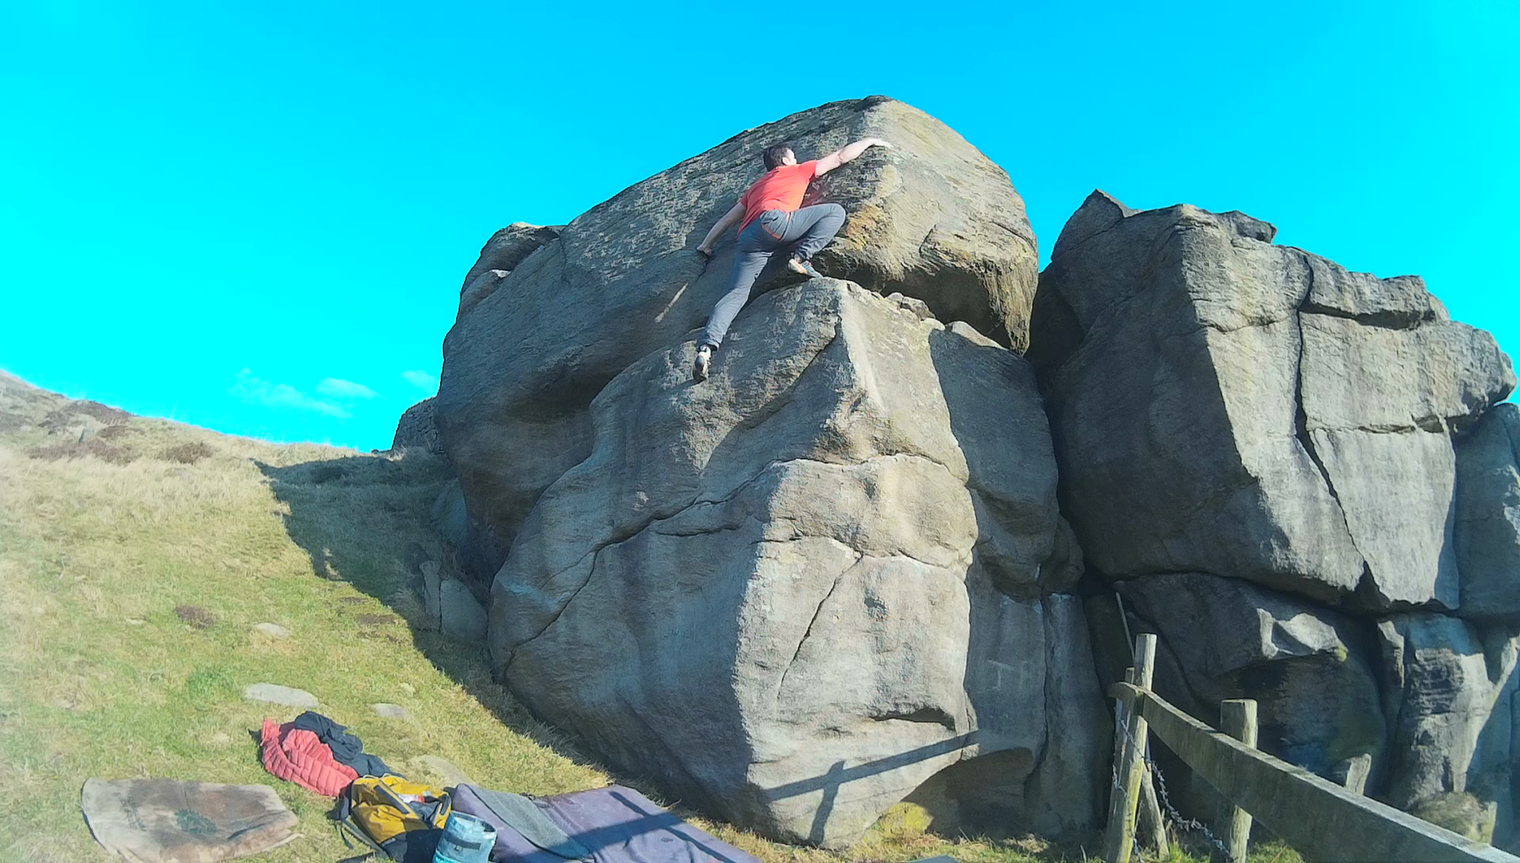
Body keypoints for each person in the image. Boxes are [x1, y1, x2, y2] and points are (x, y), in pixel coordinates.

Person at [691, 137, 892, 381]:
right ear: (786, 160)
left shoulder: (754, 189)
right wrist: (870, 140)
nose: (796, 159)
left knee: (736, 294)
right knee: (835, 211)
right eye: (793, 156)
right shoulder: (797, 170)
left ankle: (705, 349)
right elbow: (841, 157)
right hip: (776, 223)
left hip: (748, 239)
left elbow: (726, 220)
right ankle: (800, 258)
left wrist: (706, 245)